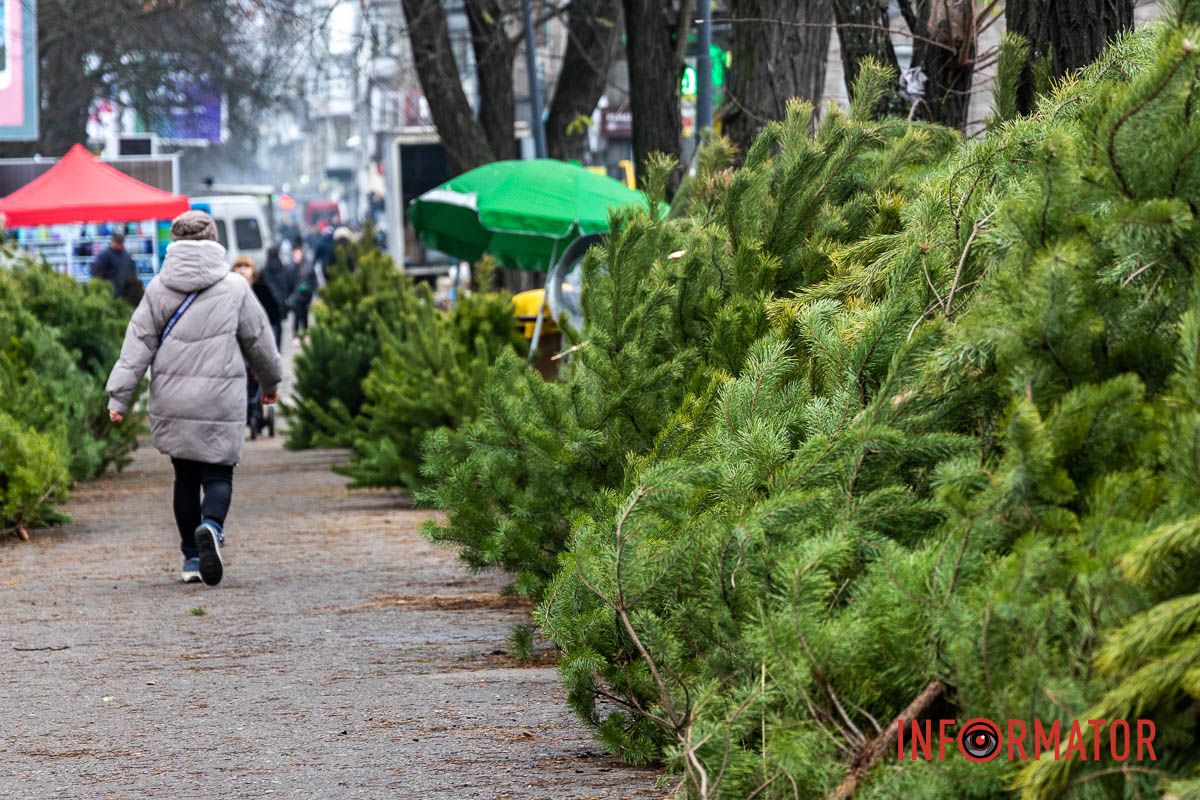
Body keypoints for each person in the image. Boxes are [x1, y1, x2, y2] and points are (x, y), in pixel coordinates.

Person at [105, 210, 282, 587]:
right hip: (220, 399)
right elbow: (259, 342)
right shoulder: (235, 288)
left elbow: (136, 345)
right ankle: (212, 526)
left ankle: (189, 557)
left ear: (175, 243)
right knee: (218, 473)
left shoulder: (157, 289)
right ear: (213, 241)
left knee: (184, 478)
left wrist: (119, 397)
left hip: (173, 399)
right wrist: (270, 382)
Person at [234, 255, 283, 351]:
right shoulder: (229, 291)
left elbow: (274, 318)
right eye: (239, 266)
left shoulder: (262, 290)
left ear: (253, 270)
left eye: (246, 267)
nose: (242, 270)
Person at [90, 231, 141, 304]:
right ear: (112, 242)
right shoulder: (104, 255)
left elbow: (133, 272)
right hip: (110, 294)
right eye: (118, 243)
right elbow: (96, 273)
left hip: (125, 294)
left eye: (121, 243)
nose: (120, 245)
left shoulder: (126, 255)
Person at [259, 245, 295, 349]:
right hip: (280, 304)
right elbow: (290, 285)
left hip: (267, 305)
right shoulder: (284, 270)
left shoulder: (264, 271)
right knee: (278, 326)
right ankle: (277, 348)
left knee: (268, 327)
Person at [288, 244, 318, 344]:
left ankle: (305, 334)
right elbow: (288, 281)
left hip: (306, 296)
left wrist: (310, 289)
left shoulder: (308, 266)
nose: (296, 256)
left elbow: (313, 280)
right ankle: (296, 336)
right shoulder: (291, 266)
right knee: (296, 316)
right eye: (295, 254)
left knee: (304, 316)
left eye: (298, 253)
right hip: (295, 296)